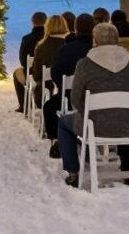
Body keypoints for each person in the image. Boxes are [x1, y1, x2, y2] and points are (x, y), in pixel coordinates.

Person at [58, 23, 129, 188]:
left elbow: (75, 99)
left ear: (94, 41)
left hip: (93, 125)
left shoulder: (85, 64)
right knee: (123, 113)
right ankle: (126, 171)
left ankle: (73, 171)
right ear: (117, 40)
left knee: (63, 123)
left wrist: (86, 112)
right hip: (128, 125)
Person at [44, 14, 94, 158]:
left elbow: (55, 73)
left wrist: (62, 86)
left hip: (70, 98)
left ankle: (57, 140)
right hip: (99, 102)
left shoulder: (66, 50)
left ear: (76, 29)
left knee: (49, 107)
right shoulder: (96, 50)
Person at [31, 15, 69, 117]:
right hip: (69, 94)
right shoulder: (70, 44)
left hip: (45, 93)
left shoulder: (41, 46)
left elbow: (37, 75)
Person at [13, 12, 46, 112]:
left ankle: (24, 105)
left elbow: (23, 61)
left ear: (33, 22)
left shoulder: (27, 39)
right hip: (50, 74)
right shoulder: (49, 39)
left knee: (17, 73)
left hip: (33, 74)